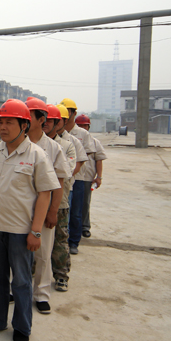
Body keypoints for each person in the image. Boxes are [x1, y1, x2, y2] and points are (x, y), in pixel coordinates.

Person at [0, 99, 59, 341]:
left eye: (9, 122)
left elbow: (45, 193)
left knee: (21, 281)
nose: (2, 127)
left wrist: (36, 231)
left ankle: (22, 327)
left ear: (24, 125)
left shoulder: (37, 155)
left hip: (21, 232)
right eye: (1, 122)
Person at [25, 97, 71, 315]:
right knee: (17, 253)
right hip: (19, 210)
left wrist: (53, 211)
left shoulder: (53, 148)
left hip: (43, 211)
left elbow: (59, 182)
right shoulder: (17, 142)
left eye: (28, 115)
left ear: (41, 119)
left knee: (43, 254)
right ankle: (16, 288)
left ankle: (41, 294)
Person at [45, 105, 78, 293]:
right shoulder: (34, 144)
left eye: (50, 120)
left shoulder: (67, 146)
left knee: (60, 241)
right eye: (44, 119)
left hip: (59, 202)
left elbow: (66, 170)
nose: (46, 123)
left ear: (58, 122)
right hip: (36, 201)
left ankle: (61, 276)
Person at [61, 98, 95, 255]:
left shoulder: (82, 134)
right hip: (61, 180)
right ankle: (62, 241)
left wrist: (69, 173)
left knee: (76, 212)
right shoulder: (55, 134)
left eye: (68, 111)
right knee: (63, 212)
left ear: (74, 113)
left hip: (78, 178)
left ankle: (74, 241)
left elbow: (84, 157)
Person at [75, 115, 107, 238]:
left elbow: (99, 160)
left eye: (85, 125)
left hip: (87, 178)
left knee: (85, 203)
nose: (83, 128)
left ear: (89, 127)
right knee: (73, 204)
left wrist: (99, 177)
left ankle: (85, 227)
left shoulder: (94, 142)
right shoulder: (72, 140)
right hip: (74, 176)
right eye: (80, 125)